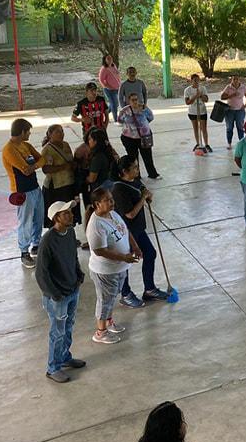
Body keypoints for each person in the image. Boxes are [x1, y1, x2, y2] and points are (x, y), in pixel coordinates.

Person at [34, 200, 85, 383]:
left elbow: (73, 256)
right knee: (57, 332)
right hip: (58, 296)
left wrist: (78, 274)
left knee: (68, 327)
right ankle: (53, 368)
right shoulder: (47, 240)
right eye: (66, 214)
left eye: (70, 212)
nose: (71, 215)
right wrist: (54, 294)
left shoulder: (70, 232)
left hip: (72, 289)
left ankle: (64, 357)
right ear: (56, 218)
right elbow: (41, 273)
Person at [86, 187, 140, 344]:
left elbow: (125, 230)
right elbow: (100, 251)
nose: (112, 202)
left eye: (112, 199)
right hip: (105, 271)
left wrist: (135, 247)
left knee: (111, 297)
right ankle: (100, 332)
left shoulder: (113, 214)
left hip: (120, 267)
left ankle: (108, 321)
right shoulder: (96, 225)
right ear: (97, 204)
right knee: (104, 300)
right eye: (107, 200)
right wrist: (124, 257)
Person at [112, 155, 168, 309]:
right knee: (126, 262)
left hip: (138, 229)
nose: (137, 169)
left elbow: (143, 189)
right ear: (124, 171)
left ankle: (149, 289)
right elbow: (129, 213)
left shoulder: (134, 180)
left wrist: (147, 194)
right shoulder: (118, 189)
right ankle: (125, 294)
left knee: (150, 253)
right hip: (126, 232)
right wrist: (143, 198)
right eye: (134, 167)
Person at [2, 118, 45, 269]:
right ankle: (24, 252)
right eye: (28, 131)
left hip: (35, 187)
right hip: (22, 191)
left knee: (38, 218)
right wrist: (39, 164)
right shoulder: (9, 150)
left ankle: (36, 244)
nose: (30, 134)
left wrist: (37, 164)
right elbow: (25, 169)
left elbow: (40, 159)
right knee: (25, 222)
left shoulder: (26, 146)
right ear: (21, 132)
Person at [40, 124, 80, 229]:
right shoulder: (47, 150)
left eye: (62, 131)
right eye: (57, 132)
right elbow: (45, 169)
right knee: (59, 214)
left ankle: (70, 234)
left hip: (69, 184)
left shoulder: (66, 145)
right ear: (50, 134)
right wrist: (63, 167)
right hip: (56, 187)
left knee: (70, 212)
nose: (61, 134)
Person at [118, 92, 161, 179]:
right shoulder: (125, 111)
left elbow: (151, 117)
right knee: (133, 158)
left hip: (143, 138)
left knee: (147, 157)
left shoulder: (144, 108)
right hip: (129, 138)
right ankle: (136, 176)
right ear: (128, 101)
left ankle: (152, 173)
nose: (135, 102)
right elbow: (120, 120)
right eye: (132, 100)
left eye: (136, 99)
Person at [220, 75, 246, 149]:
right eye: (234, 79)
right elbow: (222, 97)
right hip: (229, 111)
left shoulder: (243, 87)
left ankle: (241, 142)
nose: (235, 81)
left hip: (240, 110)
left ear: (239, 80)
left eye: (237, 79)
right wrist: (231, 95)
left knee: (240, 127)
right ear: (231, 80)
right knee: (229, 127)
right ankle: (229, 143)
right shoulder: (228, 87)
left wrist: (245, 105)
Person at [184, 73, 211, 154]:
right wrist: (195, 96)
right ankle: (198, 143)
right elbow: (187, 102)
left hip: (202, 111)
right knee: (195, 128)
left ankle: (206, 144)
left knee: (203, 128)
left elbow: (206, 99)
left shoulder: (202, 88)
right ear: (191, 81)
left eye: (198, 80)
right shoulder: (187, 90)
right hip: (193, 112)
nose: (196, 82)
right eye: (195, 80)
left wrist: (201, 96)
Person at [86, 127, 119, 195]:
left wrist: (85, 179)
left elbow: (92, 179)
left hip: (101, 189)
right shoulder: (109, 151)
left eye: (90, 139)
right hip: (111, 185)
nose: (88, 141)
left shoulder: (98, 158)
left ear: (95, 141)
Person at [98, 53, 122, 123]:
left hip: (117, 88)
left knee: (116, 104)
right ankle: (116, 119)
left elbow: (116, 75)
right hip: (109, 90)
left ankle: (103, 114)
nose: (110, 60)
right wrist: (108, 86)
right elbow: (101, 80)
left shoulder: (113, 65)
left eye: (111, 58)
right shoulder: (104, 69)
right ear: (105, 60)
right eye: (108, 58)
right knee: (114, 104)